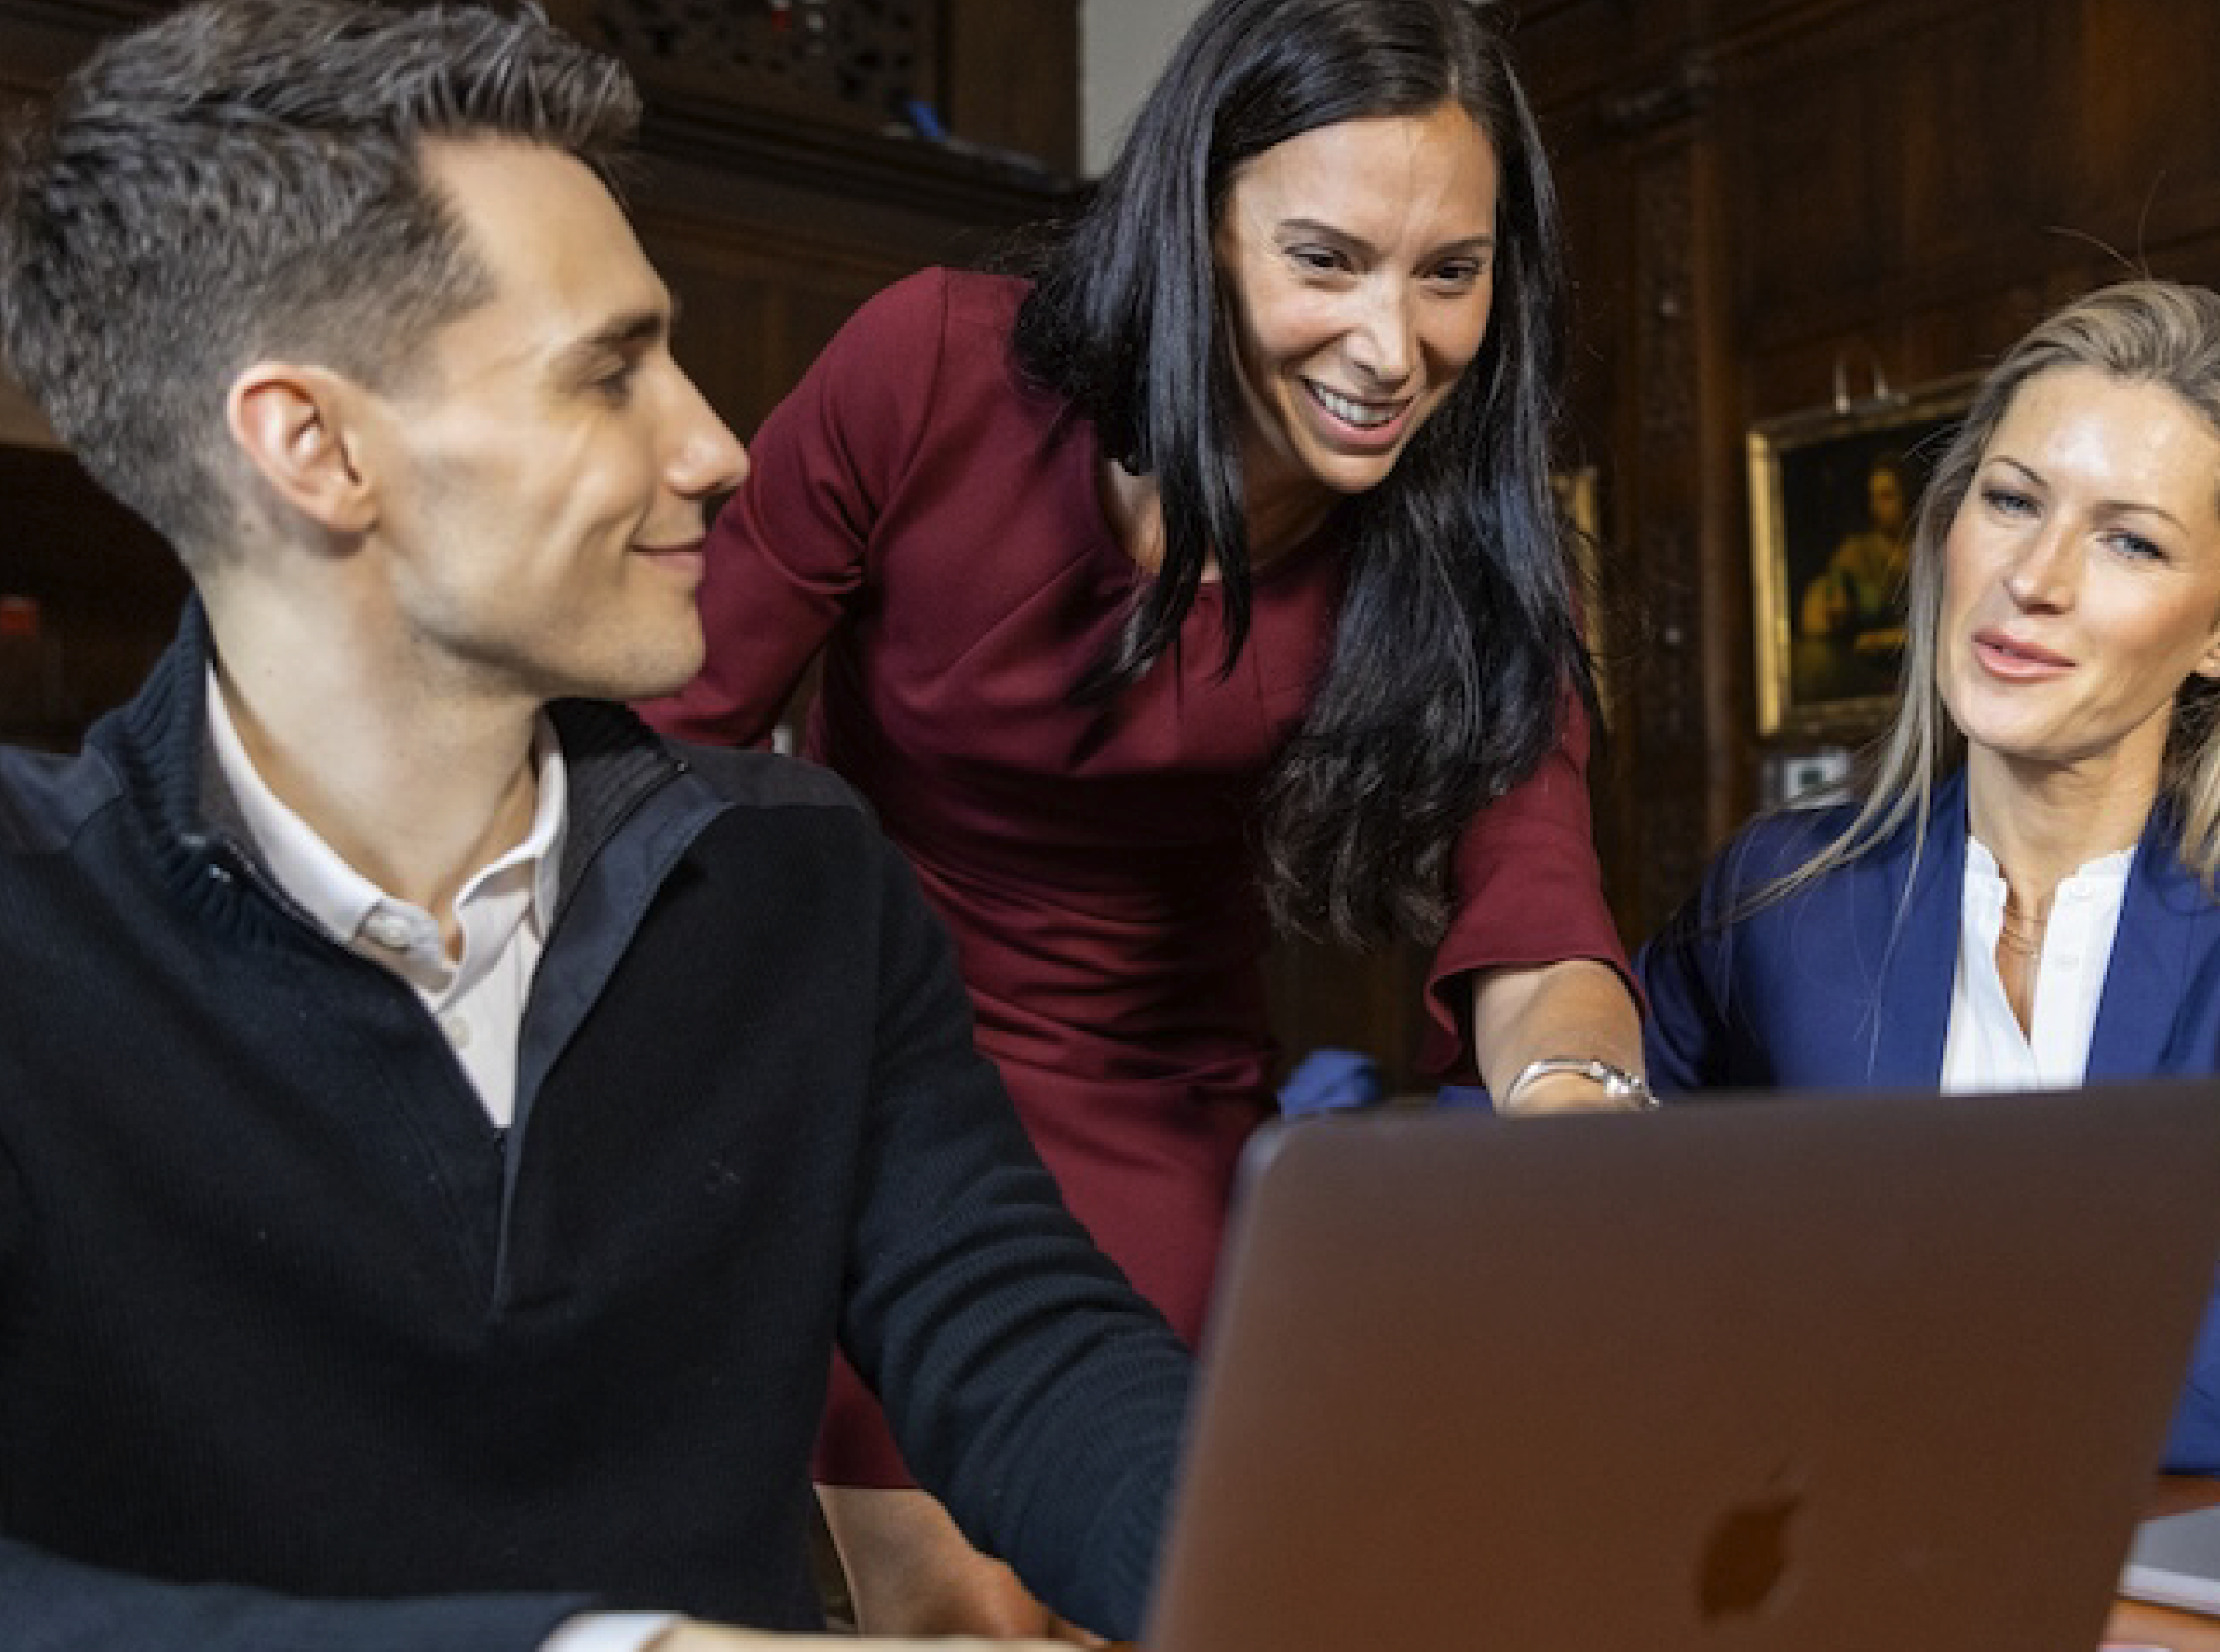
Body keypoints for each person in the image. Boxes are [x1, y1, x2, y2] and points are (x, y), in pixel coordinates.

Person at [0, 4, 1197, 1649]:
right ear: (313, 446)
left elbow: (1030, 1354)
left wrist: (1300, 1577)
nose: (714, 447)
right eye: (608, 372)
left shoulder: (803, 882)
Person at [636, 0, 1644, 1632]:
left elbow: (1536, 911)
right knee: (958, 1616)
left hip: (1164, 1115)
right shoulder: (933, 367)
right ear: (1195, 222)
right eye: (1325, 260)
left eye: (1447, 274)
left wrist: (1581, 1103)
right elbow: (663, 720)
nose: (1393, 347)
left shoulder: (1465, 556)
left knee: (1182, 1602)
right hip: (862, 1087)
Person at [1641, 279, 2220, 1479]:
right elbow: (1541, 1202)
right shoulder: (1782, 892)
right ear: (1948, 526)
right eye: (2013, 499)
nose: (2035, 577)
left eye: (2130, 540)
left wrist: (1786, 1282)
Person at [1794, 455, 1912, 702]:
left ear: (1907, 497)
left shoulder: (1930, 550)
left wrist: (1893, 638)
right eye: (1873, 498)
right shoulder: (1855, 553)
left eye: (1887, 496)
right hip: (1868, 670)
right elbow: (1825, 609)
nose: (1877, 507)